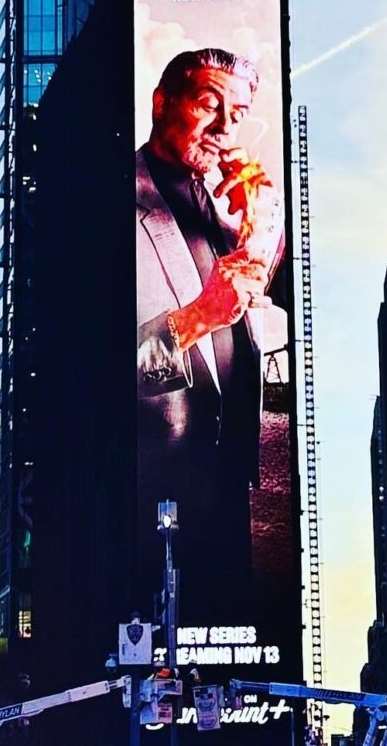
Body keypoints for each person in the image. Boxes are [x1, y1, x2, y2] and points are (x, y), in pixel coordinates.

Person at [136, 47, 284, 620]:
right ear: (162, 103)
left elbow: (263, 303)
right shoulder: (116, 200)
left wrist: (264, 219)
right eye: (208, 105)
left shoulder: (226, 209)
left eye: (239, 113)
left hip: (233, 489)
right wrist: (198, 316)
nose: (225, 128)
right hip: (151, 501)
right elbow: (95, 370)